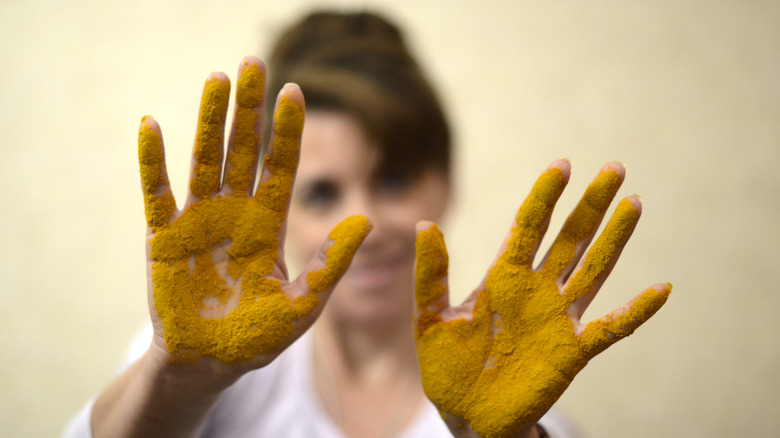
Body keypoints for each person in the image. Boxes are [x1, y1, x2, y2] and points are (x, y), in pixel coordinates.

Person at [63, 10, 669, 438]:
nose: (367, 225)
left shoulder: (521, 407)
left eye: (394, 180)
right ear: (277, 214)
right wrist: (183, 380)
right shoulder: (194, 366)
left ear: (447, 182)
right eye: (322, 193)